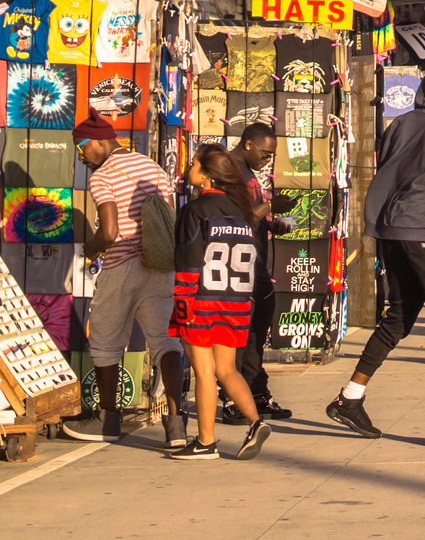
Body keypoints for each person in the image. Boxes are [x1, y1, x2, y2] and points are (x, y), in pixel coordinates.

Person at [328, 61, 425, 448]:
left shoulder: (398, 125)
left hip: (391, 231)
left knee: (399, 316)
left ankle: (351, 396)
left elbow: (386, 175)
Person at [61, 116, 188, 448]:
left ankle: (108, 420)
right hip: (161, 265)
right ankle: (176, 428)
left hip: (122, 267)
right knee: (165, 342)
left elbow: (109, 232)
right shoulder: (154, 168)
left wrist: (91, 248)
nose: (81, 156)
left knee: (105, 341)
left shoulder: (103, 176)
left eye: (82, 148)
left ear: (101, 142)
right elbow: (168, 216)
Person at [165, 145, 271, 460]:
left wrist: (181, 306)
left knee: (204, 371)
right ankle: (255, 422)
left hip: (201, 301)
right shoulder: (242, 212)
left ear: (207, 175)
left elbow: (187, 263)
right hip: (237, 302)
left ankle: (206, 442)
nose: (189, 167)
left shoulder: (194, 210)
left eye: (194, 163)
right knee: (226, 369)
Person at [223, 122, 298, 424]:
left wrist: (272, 223)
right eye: (265, 154)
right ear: (249, 144)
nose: (268, 160)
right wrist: (269, 207)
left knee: (257, 331)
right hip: (237, 267)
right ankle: (232, 398)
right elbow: (230, 219)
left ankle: (255, 394)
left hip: (256, 263)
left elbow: (250, 219)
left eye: (272, 156)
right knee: (240, 336)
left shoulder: (248, 173)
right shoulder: (229, 170)